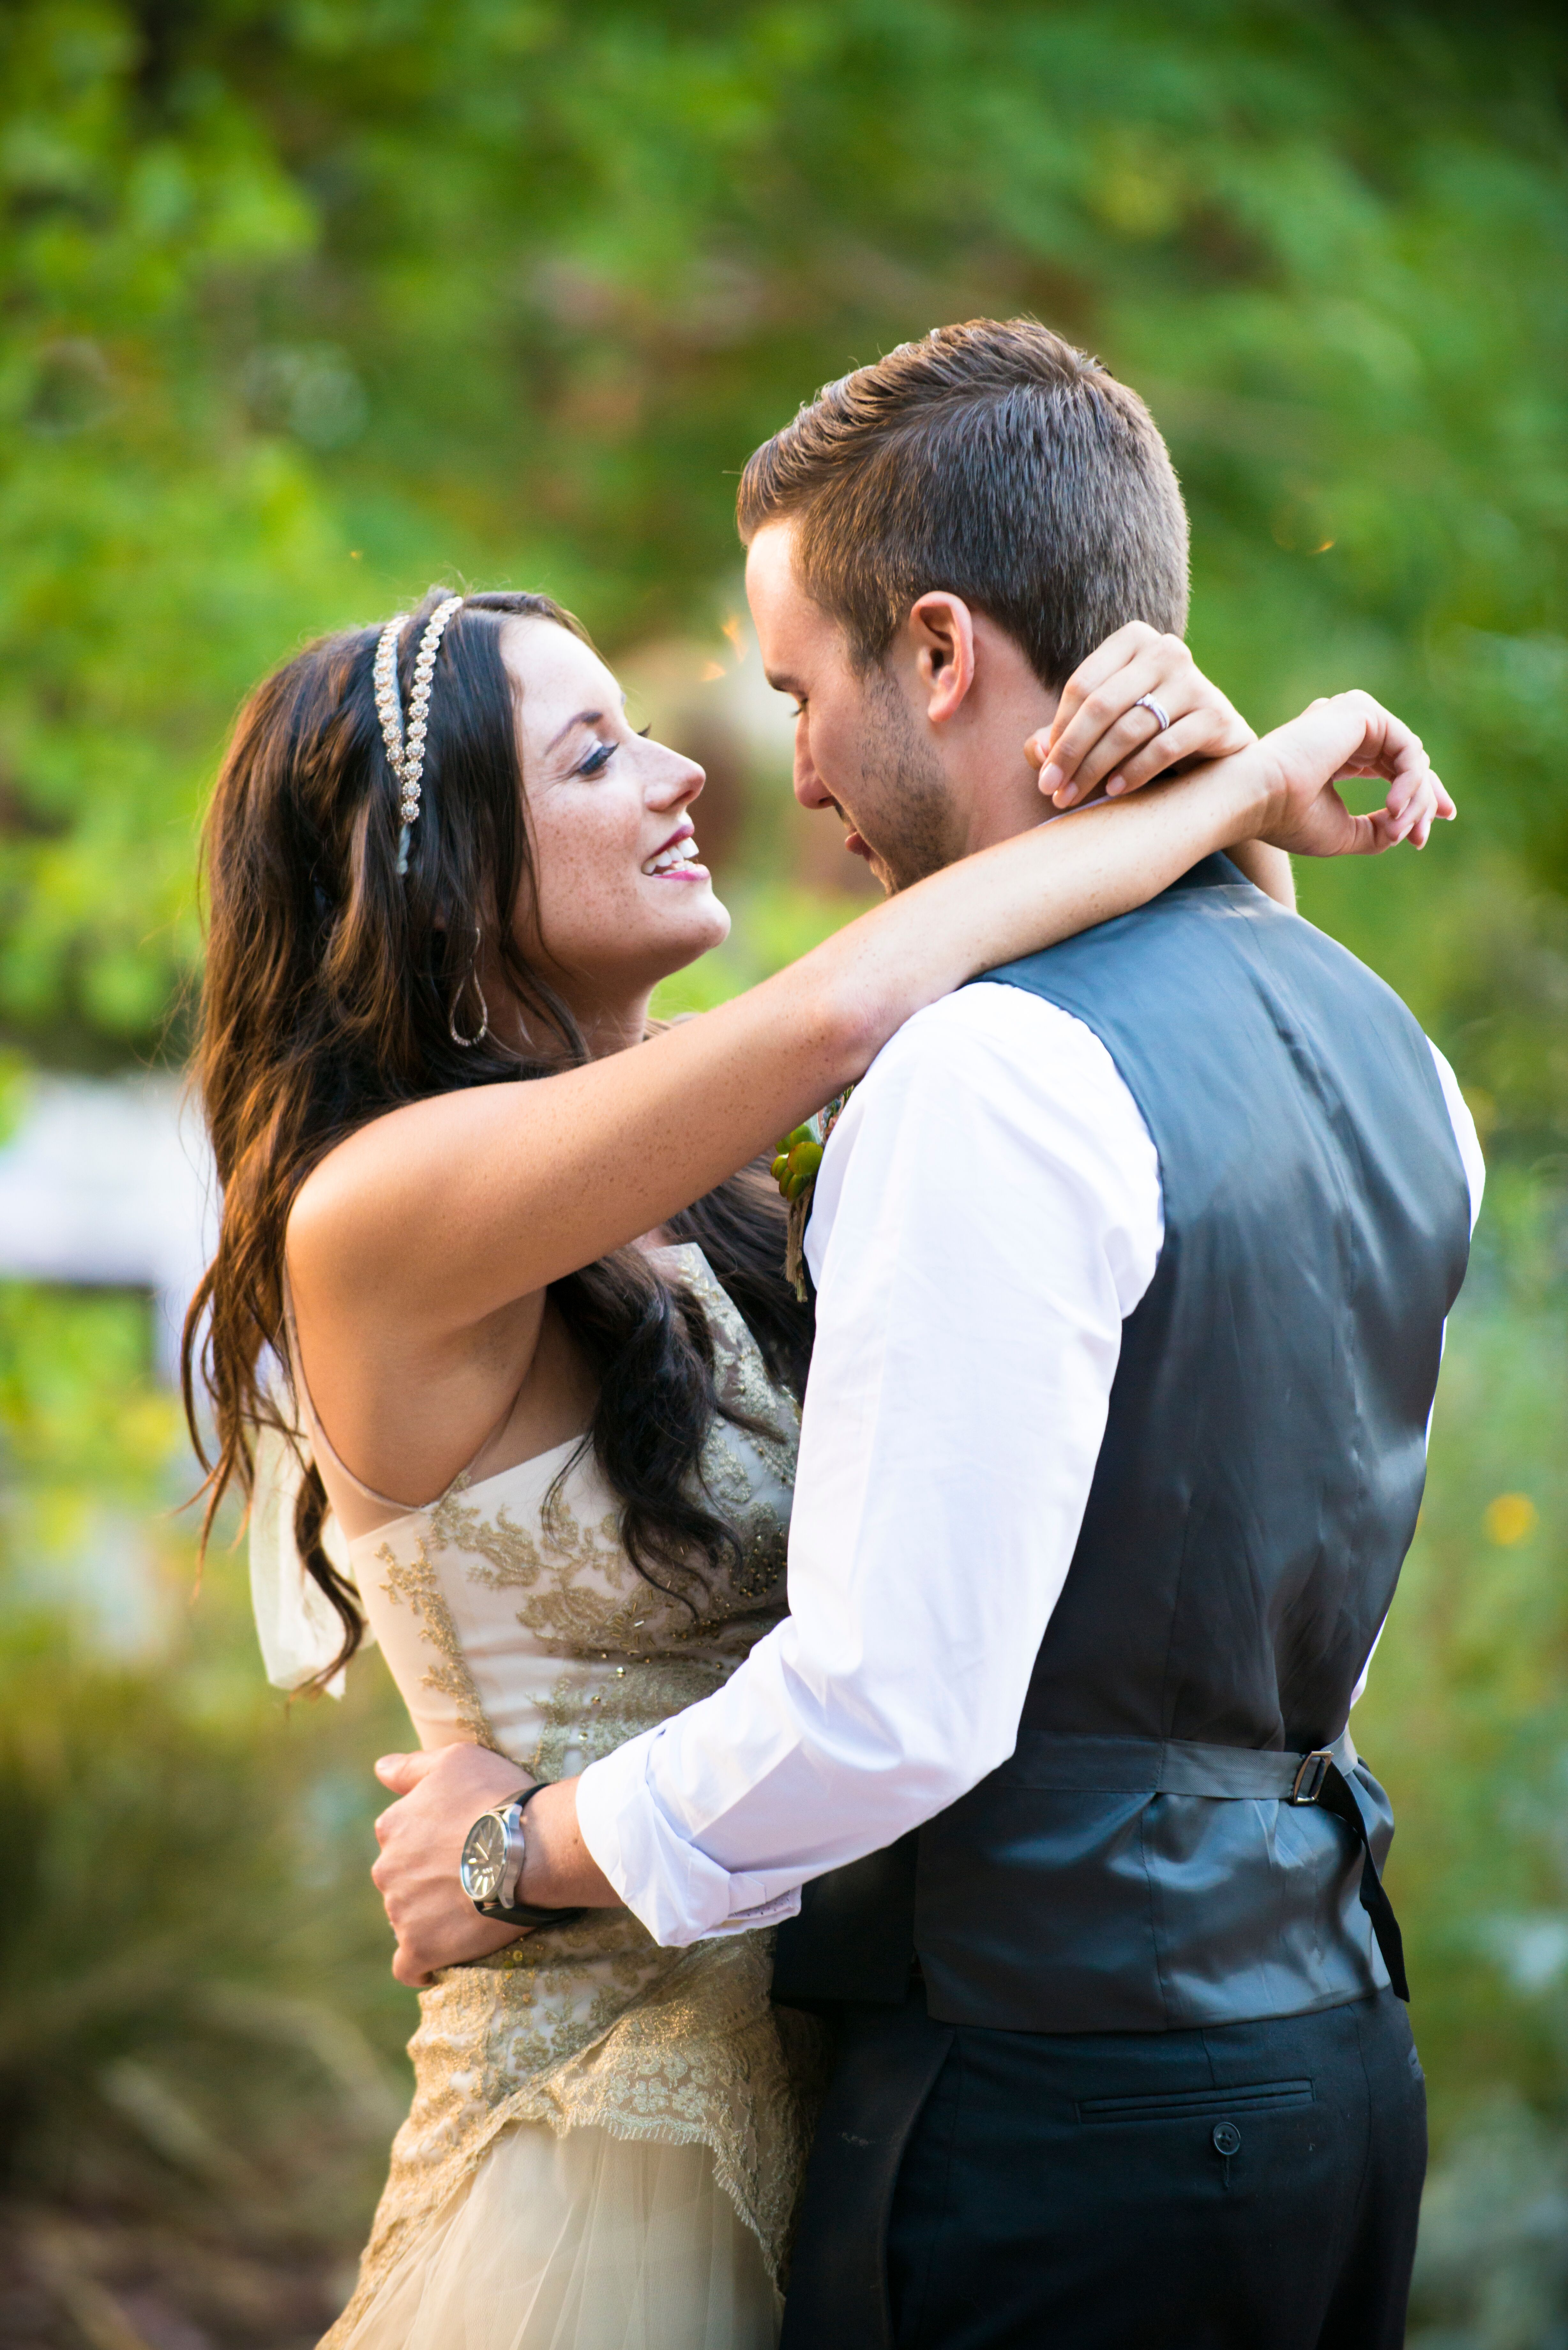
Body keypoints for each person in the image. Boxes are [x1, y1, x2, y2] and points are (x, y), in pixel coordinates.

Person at [373, 321, 1479, 2350]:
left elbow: (899, 1706)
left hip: (1052, 2109)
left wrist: (521, 1852)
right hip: (1336, 2063)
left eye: (798, 686)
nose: (778, 762)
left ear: (944, 653)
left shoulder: (990, 1075)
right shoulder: (1389, 1055)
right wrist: (1229, 799)